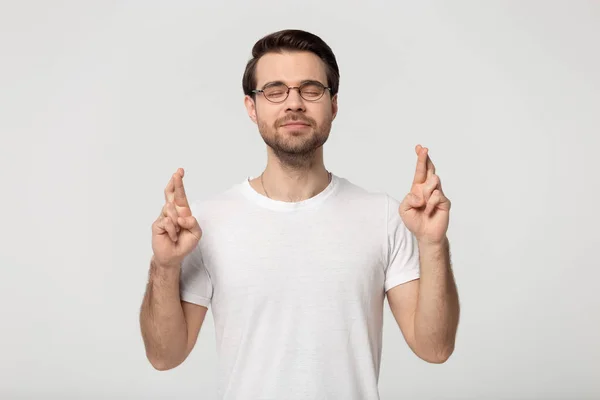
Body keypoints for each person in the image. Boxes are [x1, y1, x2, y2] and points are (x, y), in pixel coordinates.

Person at [139, 29, 460, 399]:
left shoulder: (384, 216)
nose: (294, 104)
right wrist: (165, 266)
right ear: (251, 107)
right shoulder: (206, 223)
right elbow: (164, 356)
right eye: (275, 91)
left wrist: (432, 244)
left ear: (334, 104)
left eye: (311, 89)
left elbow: (435, 348)